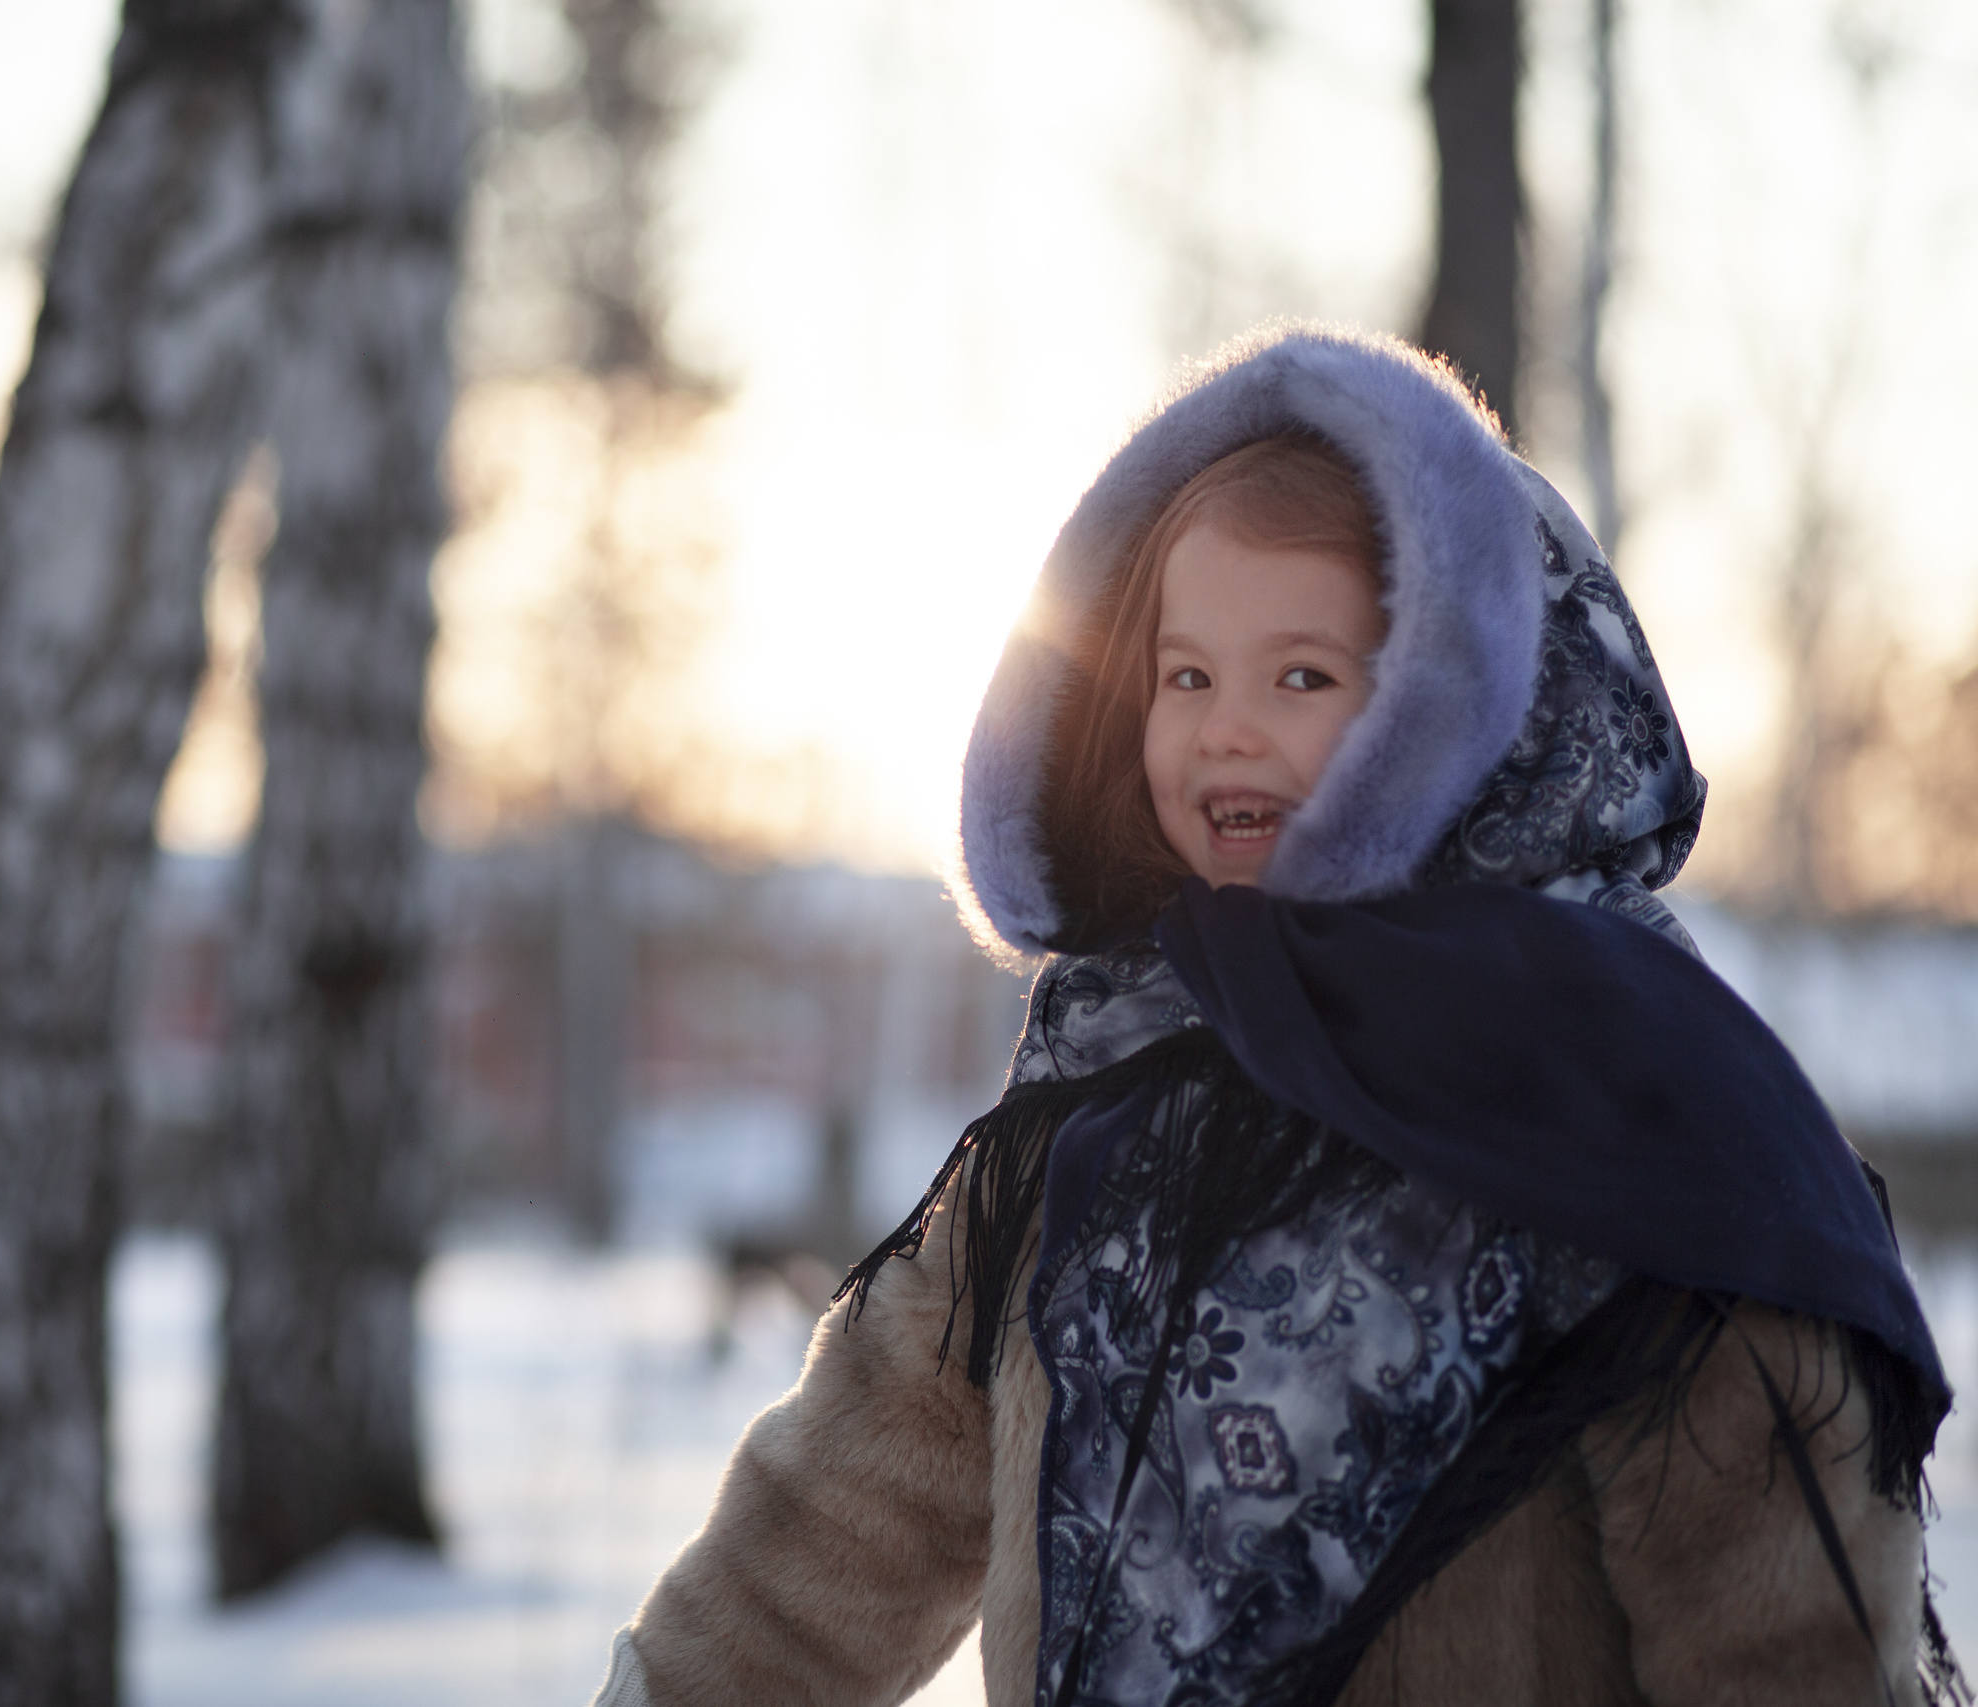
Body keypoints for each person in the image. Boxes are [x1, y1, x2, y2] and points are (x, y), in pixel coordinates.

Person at [587, 326, 1960, 1707]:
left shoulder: (1625, 1093)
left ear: (1465, 697)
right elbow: (854, 1499)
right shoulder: (1109, 1080)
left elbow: (1774, 1601)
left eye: (1300, 676)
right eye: (1187, 676)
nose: (1227, 729)